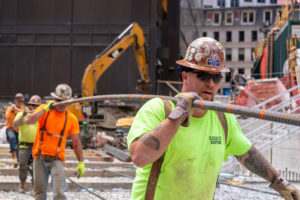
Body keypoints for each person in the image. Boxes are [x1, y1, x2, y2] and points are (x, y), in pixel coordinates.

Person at [127, 37, 300, 200]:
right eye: (203, 75)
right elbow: (139, 157)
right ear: (185, 76)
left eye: (216, 77)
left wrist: (280, 183)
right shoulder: (159, 109)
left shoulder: (222, 118)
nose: (210, 83)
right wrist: (178, 115)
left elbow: (247, 153)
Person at [26, 83, 85, 200]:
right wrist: (44, 109)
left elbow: (76, 143)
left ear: (69, 102)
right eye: (59, 100)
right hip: (39, 158)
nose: (62, 104)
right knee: (39, 194)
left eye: (65, 101)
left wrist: (81, 162)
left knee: (59, 193)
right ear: (54, 99)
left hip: (57, 160)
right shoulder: (44, 110)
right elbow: (29, 121)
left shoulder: (71, 119)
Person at [12, 95, 42, 193]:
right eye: (32, 105)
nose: (34, 107)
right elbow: (14, 125)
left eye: (36, 106)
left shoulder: (42, 116)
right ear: (29, 105)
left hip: (37, 147)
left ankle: (34, 187)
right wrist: (23, 116)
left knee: (36, 168)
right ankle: (22, 186)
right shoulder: (22, 114)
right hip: (24, 146)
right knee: (23, 166)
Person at [5, 93, 29, 168]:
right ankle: (13, 158)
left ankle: (19, 161)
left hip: (20, 130)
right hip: (11, 128)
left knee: (19, 145)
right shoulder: (11, 108)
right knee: (12, 138)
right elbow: (7, 117)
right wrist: (14, 113)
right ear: (15, 100)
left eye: (21, 101)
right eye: (18, 101)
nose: (20, 102)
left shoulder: (25, 109)